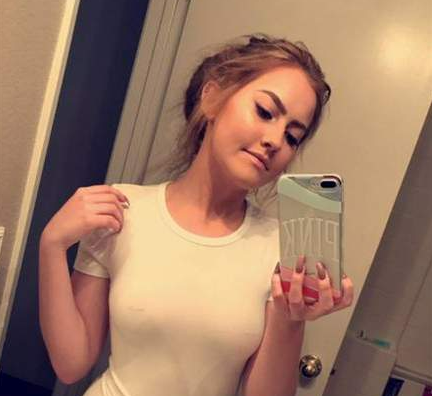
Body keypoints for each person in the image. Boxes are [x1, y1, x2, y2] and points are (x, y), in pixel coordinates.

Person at [39, 34, 354, 396]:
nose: (275, 140)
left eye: (293, 136)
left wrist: (291, 319)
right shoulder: (121, 209)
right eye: (265, 112)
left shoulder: (279, 249)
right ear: (212, 98)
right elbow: (71, 363)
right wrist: (51, 245)